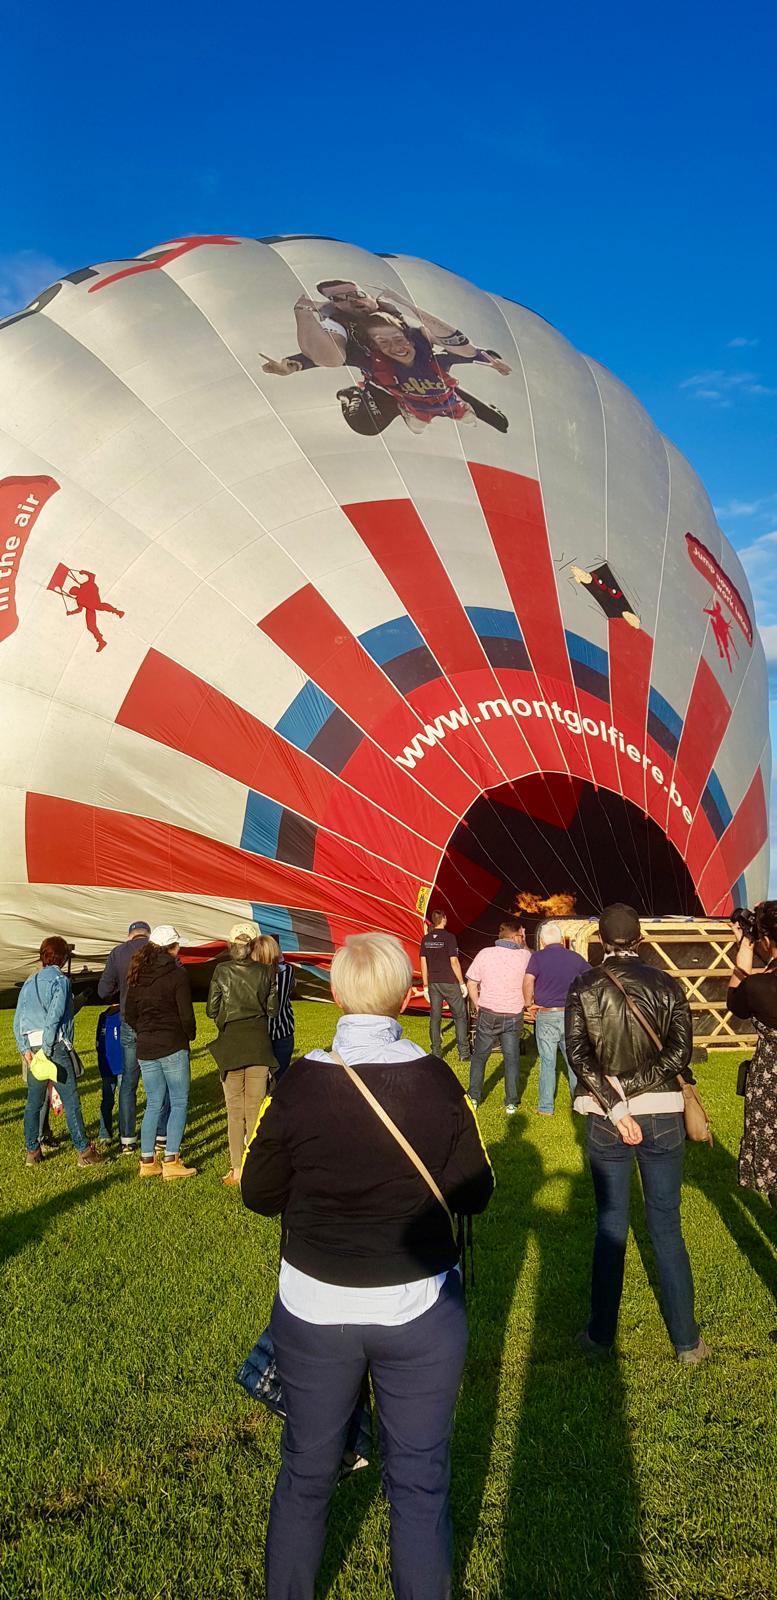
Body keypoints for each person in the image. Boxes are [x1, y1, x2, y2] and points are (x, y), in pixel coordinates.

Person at [241, 931, 494, 1600]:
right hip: (417, 1307)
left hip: (316, 1304)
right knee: (418, 1478)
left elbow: (260, 1193)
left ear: (338, 992)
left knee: (305, 1470)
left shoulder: (300, 1081)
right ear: (400, 990)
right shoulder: (434, 1079)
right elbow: (473, 1191)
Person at [565, 903, 709, 1364]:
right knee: (667, 1227)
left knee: (611, 1225)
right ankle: (687, 1342)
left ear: (601, 942)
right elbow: (680, 1053)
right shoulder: (667, 983)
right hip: (664, 1113)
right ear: (641, 939)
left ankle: (599, 1337)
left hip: (607, 1118)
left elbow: (577, 1054)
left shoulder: (583, 986)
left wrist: (615, 1097)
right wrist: (637, 1087)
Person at [14, 936, 105, 1167]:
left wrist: (25, 1049)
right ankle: (84, 1151)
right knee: (71, 1101)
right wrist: (47, 1046)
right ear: (63, 958)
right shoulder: (60, 981)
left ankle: (32, 1151)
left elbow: (18, 1019)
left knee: (33, 1103)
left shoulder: (29, 982)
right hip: (53, 1047)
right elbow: (54, 1016)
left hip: (32, 1049)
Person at [207, 925, 278, 1186]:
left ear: (230, 944)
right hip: (259, 1043)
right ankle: (255, 1166)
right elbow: (272, 1010)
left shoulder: (221, 971)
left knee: (235, 1111)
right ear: (252, 945)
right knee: (256, 1109)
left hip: (231, 1045)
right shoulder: (266, 972)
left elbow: (211, 1009)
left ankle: (236, 1169)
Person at [124, 925, 197, 1181]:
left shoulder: (137, 974)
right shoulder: (177, 975)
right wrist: (189, 1033)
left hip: (146, 1046)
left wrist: (145, 1030)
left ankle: (147, 1160)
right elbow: (186, 1014)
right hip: (172, 1043)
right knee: (178, 1101)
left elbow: (129, 1014)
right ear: (172, 948)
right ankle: (171, 1159)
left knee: (154, 1102)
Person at [97, 919, 169, 1155]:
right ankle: (161, 1136)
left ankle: (127, 1139)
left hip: (128, 1021)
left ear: (129, 935)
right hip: (155, 1022)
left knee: (129, 1081)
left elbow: (103, 990)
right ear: (148, 935)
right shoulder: (158, 951)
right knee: (160, 1079)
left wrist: (122, 991)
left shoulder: (117, 953)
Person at [726, 901, 777, 1210]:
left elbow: (735, 1000)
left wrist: (745, 943)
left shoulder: (758, 987)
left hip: (771, 1082)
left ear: (767, 940)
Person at [523, 921, 589, 1115]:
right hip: (570, 1015)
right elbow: (592, 977)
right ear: (562, 940)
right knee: (573, 1061)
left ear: (542, 941)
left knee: (547, 1062)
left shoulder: (537, 958)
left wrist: (528, 1004)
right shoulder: (575, 958)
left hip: (546, 1014)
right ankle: (579, 1104)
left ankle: (545, 1107)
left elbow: (528, 981)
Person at [465, 918, 531, 1113]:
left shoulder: (485, 953)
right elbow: (534, 969)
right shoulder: (525, 956)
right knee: (511, 1058)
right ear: (516, 936)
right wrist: (525, 941)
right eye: (520, 935)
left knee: (480, 1056)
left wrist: (478, 1005)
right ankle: (511, 1101)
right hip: (513, 1013)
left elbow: (471, 983)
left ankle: (474, 1097)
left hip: (488, 1011)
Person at [419, 909, 470, 1064]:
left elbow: (423, 962)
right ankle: (464, 1053)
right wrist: (461, 982)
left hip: (434, 983)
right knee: (460, 1016)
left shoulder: (426, 939)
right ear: (444, 919)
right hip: (449, 982)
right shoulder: (449, 937)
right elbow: (454, 961)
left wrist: (425, 984)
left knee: (435, 1017)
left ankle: (436, 1052)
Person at [253, 934, 296, 1082]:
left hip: (260, 1033)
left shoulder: (254, 976)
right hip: (284, 1030)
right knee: (281, 1077)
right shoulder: (288, 972)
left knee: (260, 1080)